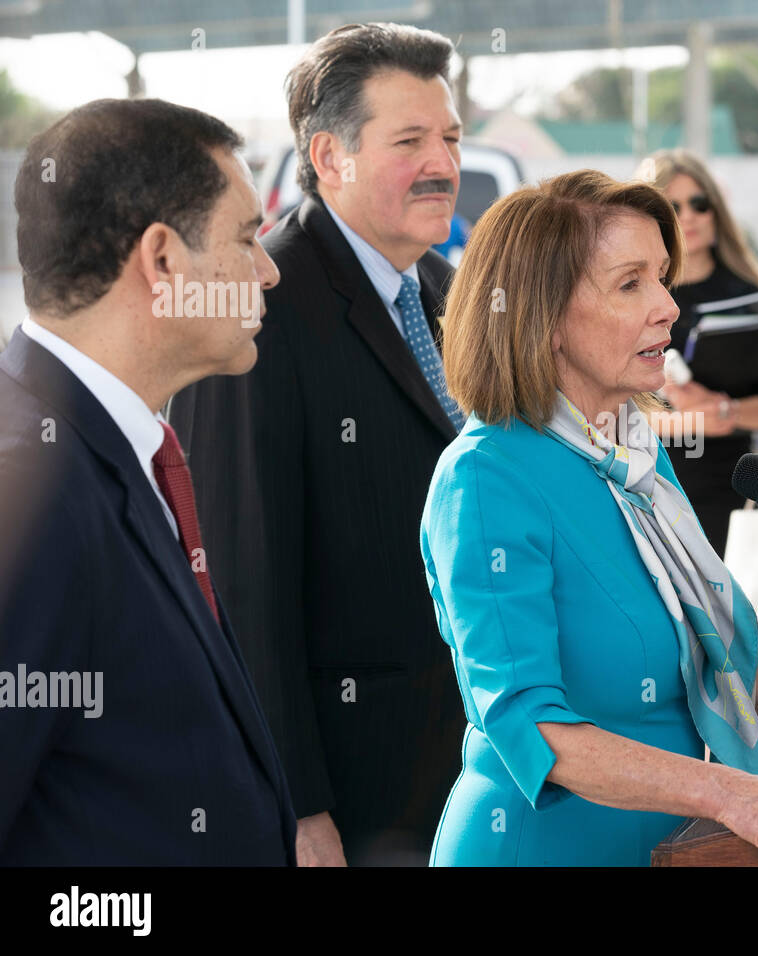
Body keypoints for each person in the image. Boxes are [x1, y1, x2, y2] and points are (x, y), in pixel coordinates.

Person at [421, 169, 758, 867]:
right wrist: (734, 795)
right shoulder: (486, 478)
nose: (669, 306)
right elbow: (531, 725)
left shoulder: (634, 455)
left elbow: (701, 670)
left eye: (663, 277)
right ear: (543, 317)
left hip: (678, 848)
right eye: (631, 284)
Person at [169, 23, 466, 866]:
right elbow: (237, 580)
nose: (443, 162)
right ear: (330, 157)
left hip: (472, 766)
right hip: (348, 789)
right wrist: (297, 806)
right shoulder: (258, 306)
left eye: (449, 136)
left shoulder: (450, 292)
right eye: (410, 141)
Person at [0, 98, 294, 864]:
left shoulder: (111, 447)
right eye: (246, 237)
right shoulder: (26, 490)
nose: (267, 269)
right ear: (163, 259)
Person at [633, 149, 758, 555]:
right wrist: (693, 419)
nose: (689, 216)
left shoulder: (751, 296)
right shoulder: (628, 295)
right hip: (645, 481)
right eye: (673, 205)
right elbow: (601, 403)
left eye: (700, 204)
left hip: (730, 488)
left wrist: (727, 413)